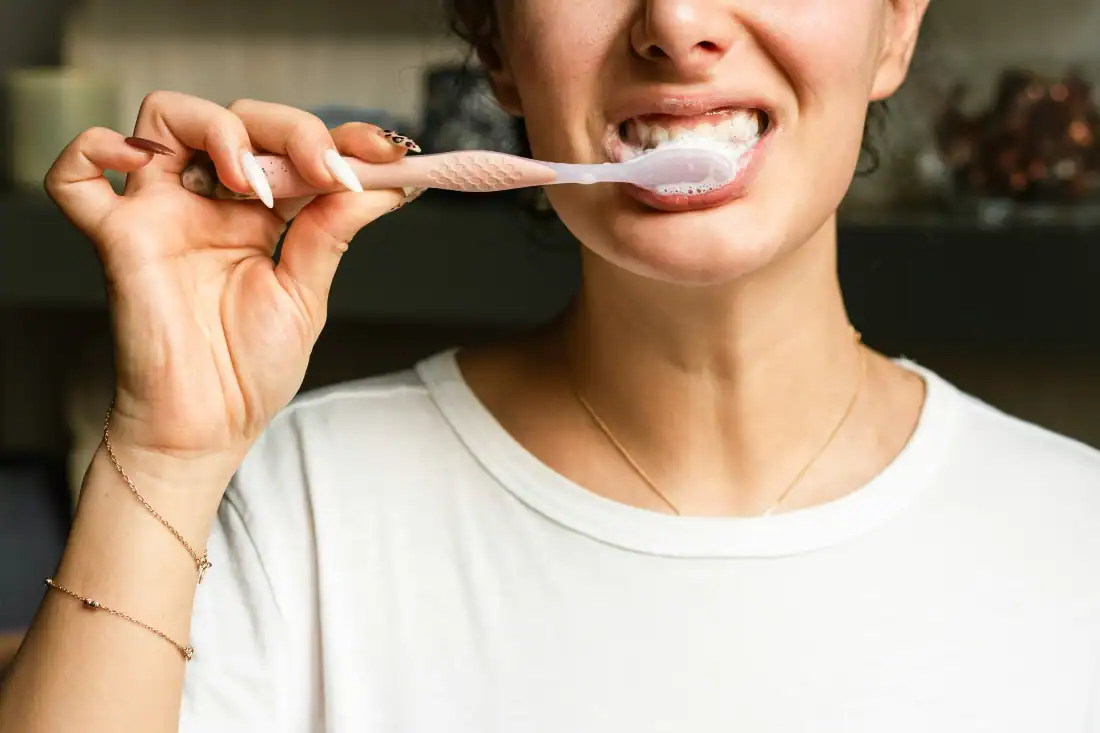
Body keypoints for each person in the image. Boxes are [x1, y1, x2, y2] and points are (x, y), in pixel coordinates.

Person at [2, 0, 1099, 730]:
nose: (673, 21)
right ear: (497, 49)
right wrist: (167, 447)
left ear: (894, 21)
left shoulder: (1074, 541)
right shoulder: (303, 510)